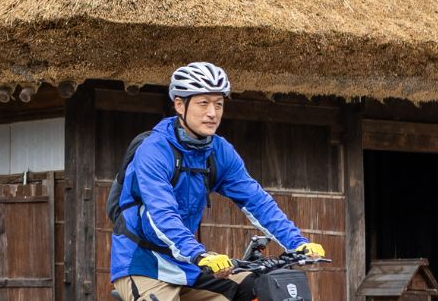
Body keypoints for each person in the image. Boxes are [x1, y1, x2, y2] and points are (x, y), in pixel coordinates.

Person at [108, 62, 326, 301]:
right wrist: (199, 255)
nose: (212, 113)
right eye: (203, 103)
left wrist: (296, 242)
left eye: (219, 104)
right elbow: (161, 214)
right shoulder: (154, 150)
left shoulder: (219, 151)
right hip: (143, 262)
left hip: (186, 263)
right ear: (180, 105)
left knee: (258, 288)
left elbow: (256, 200)